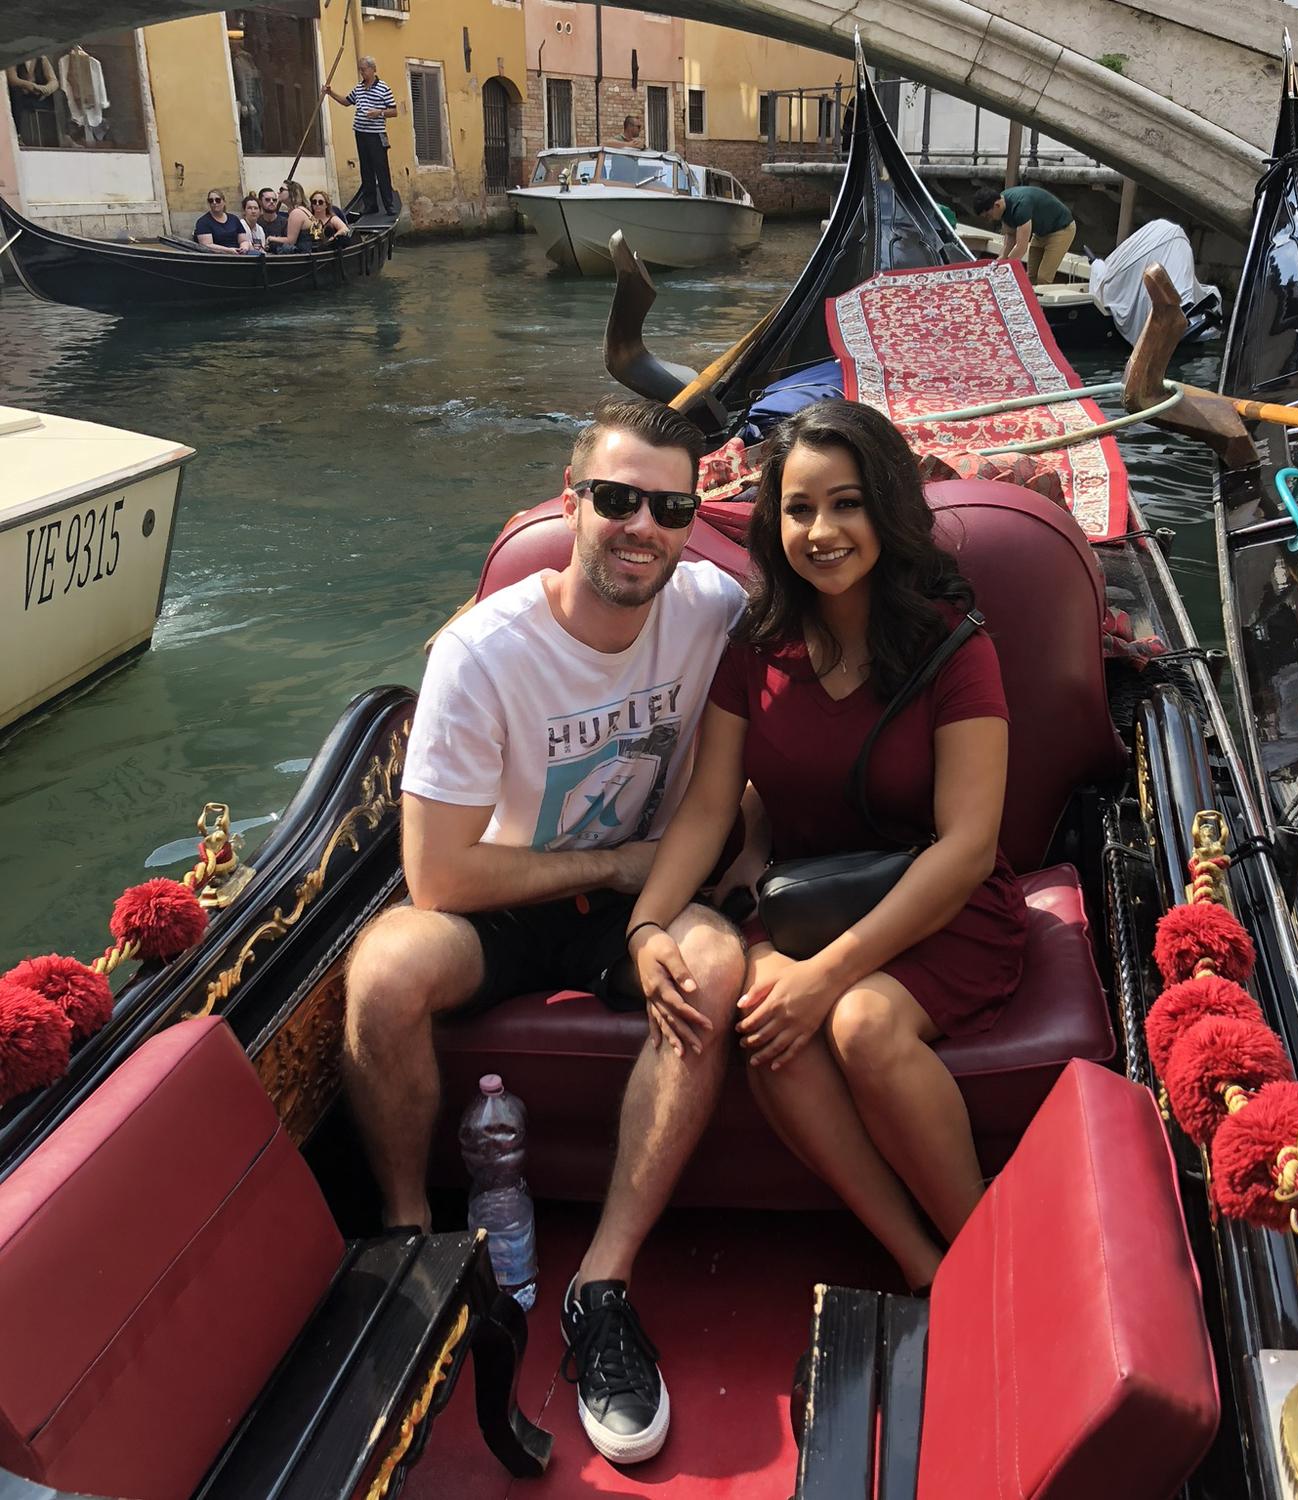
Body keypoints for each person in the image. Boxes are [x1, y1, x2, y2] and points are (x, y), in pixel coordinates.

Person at [343, 396, 749, 1465]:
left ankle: (601, 1285)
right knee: (383, 969)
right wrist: (611, 861)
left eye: (670, 507)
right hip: (502, 902)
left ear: (694, 517)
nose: (642, 527)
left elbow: (828, 553)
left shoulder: (714, 604)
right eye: (617, 500)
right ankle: (407, 1244)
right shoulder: (483, 654)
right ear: (571, 506)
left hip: (639, 910)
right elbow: (434, 878)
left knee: (712, 962)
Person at [628, 399, 1027, 1294]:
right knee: (764, 1019)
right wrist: (647, 925)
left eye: (846, 504)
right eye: (799, 509)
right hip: (810, 902)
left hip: (944, 908)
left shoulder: (954, 648)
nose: (821, 531)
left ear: (885, 508)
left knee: (862, 1022)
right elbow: (706, 805)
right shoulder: (756, 642)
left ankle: (986, 1253)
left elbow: (966, 849)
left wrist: (827, 975)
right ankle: (922, 1263)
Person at [325, 56, 396, 215]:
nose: (361, 72)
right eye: (360, 70)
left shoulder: (383, 88)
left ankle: (389, 204)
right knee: (366, 169)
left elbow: (394, 111)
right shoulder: (359, 88)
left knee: (381, 169)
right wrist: (331, 93)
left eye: (363, 69)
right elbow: (346, 101)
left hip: (376, 135)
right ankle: (370, 205)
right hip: (361, 133)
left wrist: (379, 112)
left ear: (372, 69)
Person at [973, 184, 1076, 286]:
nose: (989, 220)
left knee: (1043, 277)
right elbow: (1011, 235)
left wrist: (1004, 267)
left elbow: (1021, 247)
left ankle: (1042, 301)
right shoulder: (1002, 204)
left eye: (988, 216)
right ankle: (1032, 299)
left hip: (1061, 229)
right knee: (1031, 276)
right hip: (1041, 232)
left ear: (997, 205)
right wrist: (1002, 257)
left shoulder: (1021, 207)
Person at [193, 189, 250, 253]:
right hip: (218, 257)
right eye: (211, 200)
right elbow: (207, 245)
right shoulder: (203, 222)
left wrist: (244, 248)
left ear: (224, 202)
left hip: (238, 254)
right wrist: (229, 250)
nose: (214, 203)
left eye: (217, 200)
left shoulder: (234, 219)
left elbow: (243, 240)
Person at [266, 181, 314, 253]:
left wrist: (271, 238)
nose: (278, 192)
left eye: (281, 190)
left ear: (292, 192)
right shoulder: (303, 210)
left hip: (303, 256)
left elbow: (290, 241)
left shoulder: (296, 213)